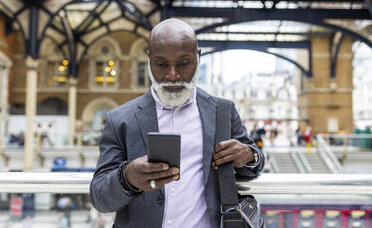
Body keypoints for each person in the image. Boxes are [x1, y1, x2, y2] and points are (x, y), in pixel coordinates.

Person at [90, 18, 265, 228]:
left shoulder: (222, 112)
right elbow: (100, 197)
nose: (172, 75)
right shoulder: (120, 120)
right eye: (161, 64)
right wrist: (127, 178)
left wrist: (248, 155)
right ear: (149, 60)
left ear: (197, 57)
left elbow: (254, 160)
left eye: (183, 63)